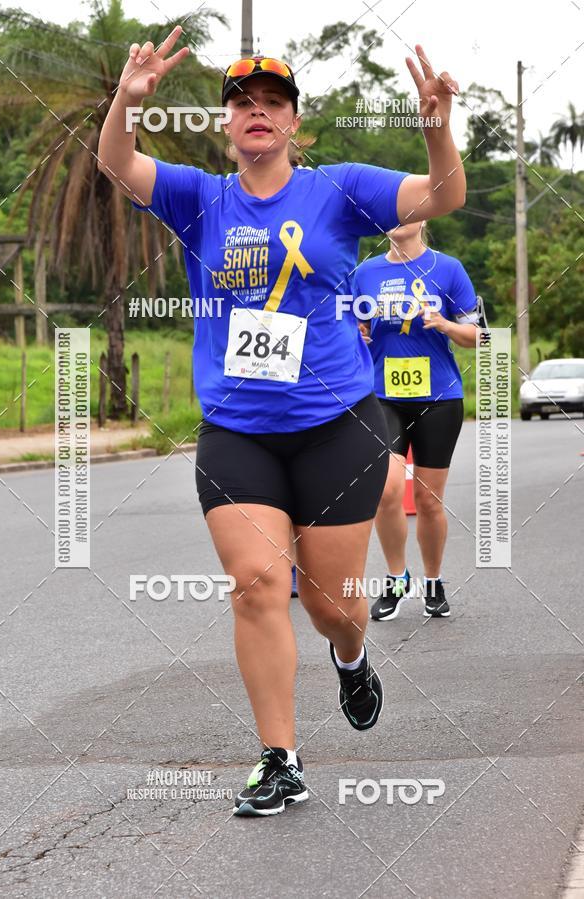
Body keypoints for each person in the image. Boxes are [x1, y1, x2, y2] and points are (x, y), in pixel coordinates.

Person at [98, 27, 465, 816]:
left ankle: (352, 656)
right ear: (227, 124)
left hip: (337, 426)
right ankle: (280, 757)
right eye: (242, 103)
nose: (257, 111)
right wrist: (126, 102)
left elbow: (443, 196)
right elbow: (118, 164)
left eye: (273, 101)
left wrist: (437, 127)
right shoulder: (199, 198)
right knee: (258, 584)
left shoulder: (339, 191)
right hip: (238, 431)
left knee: (333, 605)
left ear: (294, 121)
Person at [353, 221, 478, 622]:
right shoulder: (365, 273)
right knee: (386, 491)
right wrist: (357, 335)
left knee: (428, 499)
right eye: (392, 213)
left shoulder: (449, 268)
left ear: (423, 220)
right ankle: (396, 577)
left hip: (439, 397)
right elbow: (346, 328)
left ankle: (433, 581)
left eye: (407, 213)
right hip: (382, 396)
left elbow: (478, 336)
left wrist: (445, 324)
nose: (398, 219)